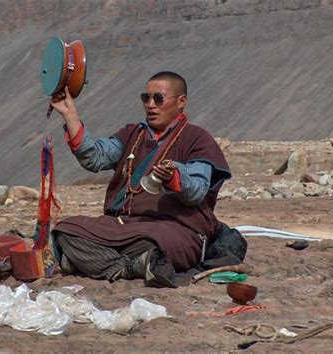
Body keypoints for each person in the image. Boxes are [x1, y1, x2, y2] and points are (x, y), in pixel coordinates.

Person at [49, 71, 231, 287]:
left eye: (159, 98)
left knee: (153, 245)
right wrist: (70, 116)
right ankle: (133, 267)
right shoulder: (132, 135)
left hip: (172, 228)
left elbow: (198, 189)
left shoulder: (197, 139)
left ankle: (93, 262)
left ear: (181, 101)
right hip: (122, 225)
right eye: (146, 98)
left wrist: (174, 176)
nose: (150, 105)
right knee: (66, 232)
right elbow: (95, 158)